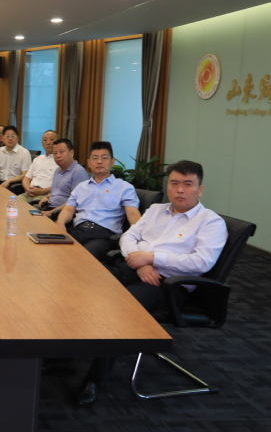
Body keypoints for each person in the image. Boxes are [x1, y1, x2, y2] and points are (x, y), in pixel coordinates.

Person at [76, 160, 228, 406]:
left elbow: (201, 262)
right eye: (174, 183)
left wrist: (153, 258)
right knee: (80, 288)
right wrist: (142, 262)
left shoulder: (210, 222)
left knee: (119, 310)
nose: (180, 190)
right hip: (133, 268)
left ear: (200, 189)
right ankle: (62, 354)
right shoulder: (156, 210)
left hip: (166, 284)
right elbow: (128, 236)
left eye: (187, 184)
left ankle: (94, 378)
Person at [55, 141, 141, 262]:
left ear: (112, 162)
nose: (99, 161)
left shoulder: (124, 187)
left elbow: (133, 214)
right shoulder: (81, 187)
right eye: (95, 158)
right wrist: (60, 223)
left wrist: (140, 239)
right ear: (89, 162)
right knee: (54, 251)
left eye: (104, 158)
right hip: (78, 230)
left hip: (103, 236)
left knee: (80, 259)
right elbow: (69, 209)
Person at [37, 139, 89, 216]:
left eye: (62, 152)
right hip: (48, 206)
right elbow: (54, 191)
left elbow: (75, 201)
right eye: (55, 153)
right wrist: (46, 197)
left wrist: (51, 212)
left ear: (71, 153)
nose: (58, 156)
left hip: (60, 213)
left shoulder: (78, 172)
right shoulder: (58, 170)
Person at [0, 125, 30, 190]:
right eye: (7, 136)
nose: (10, 138)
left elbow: (25, 174)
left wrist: (9, 181)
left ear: (17, 139)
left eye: (13, 136)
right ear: (3, 138)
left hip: (15, 185)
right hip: (0, 182)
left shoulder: (24, 152)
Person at [19, 130, 58, 203]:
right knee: (12, 204)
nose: (48, 143)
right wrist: (28, 189)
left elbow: (60, 185)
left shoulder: (60, 161)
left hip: (46, 195)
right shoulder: (37, 159)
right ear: (42, 143)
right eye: (45, 140)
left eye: (51, 139)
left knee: (31, 208)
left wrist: (41, 191)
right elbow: (26, 178)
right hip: (30, 193)